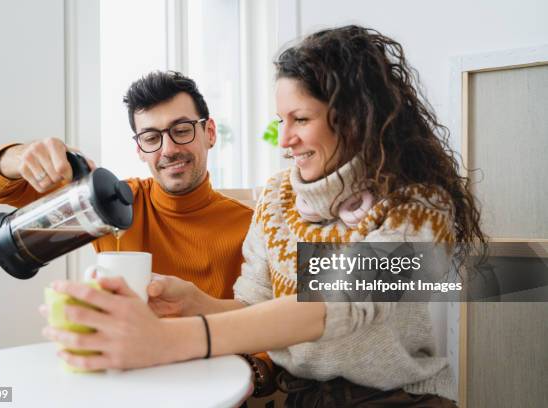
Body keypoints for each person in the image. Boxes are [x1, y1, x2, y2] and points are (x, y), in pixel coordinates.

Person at [42, 25, 486, 406]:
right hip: (304, 399)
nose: (285, 138)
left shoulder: (420, 205)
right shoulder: (276, 197)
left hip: (397, 400)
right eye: (281, 119)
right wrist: (193, 303)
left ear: (354, 118)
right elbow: (256, 308)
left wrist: (166, 340)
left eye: (300, 119)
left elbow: (337, 305)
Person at [0, 71, 259, 370]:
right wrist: (22, 157)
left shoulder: (264, 225)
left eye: (182, 130)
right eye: (150, 137)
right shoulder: (116, 206)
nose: (169, 149)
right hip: (116, 369)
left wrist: (253, 369)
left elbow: (298, 318)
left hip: (197, 376)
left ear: (210, 132)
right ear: (139, 149)